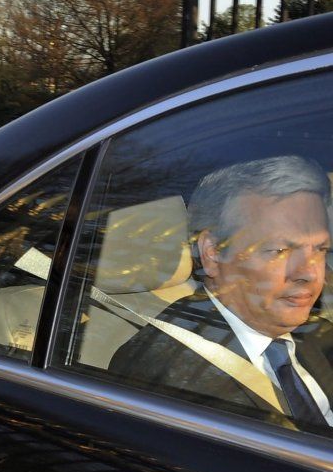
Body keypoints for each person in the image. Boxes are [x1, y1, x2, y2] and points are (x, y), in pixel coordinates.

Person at [109, 155, 333, 431]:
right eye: (279, 251)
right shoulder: (165, 377)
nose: (310, 273)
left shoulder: (317, 333)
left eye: (320, 250)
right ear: (213, 253)